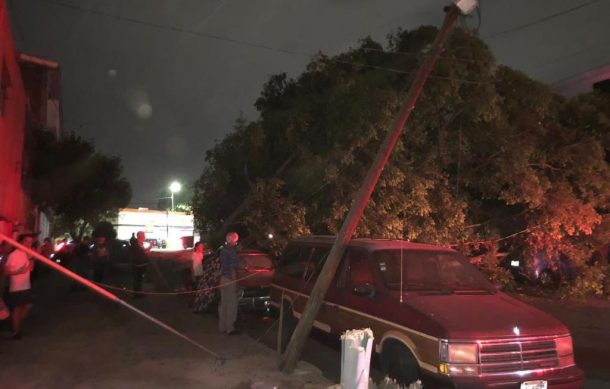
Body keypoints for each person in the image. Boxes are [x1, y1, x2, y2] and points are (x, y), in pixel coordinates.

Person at [3, 234, 35, 339]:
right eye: (26, 241)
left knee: (28, 305)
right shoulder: (13, 255)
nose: (28, 244)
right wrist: (18, 272)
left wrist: (30, 258)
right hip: (16, 287)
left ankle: (16, 325)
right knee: (17, 309)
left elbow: (31, 269)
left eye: (30, 242)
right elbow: (6, 272)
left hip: (26, 286)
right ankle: (16, 331)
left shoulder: (28, 253)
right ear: (20, 241)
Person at [218, 232, 240, 335]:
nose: (237, 243)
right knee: (232, 305)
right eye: (236, 241)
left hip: (223, 279)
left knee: (224, 304)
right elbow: (233, 269)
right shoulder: (232, 252)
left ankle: (222, 326)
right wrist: (235, 284)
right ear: (233, 241)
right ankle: (230, 328)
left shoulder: (223, 250)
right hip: (230, 280)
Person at [130, 231, 149, 298]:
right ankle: (137, 294)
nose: (145, 237)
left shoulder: (138, 243)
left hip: (139, 263)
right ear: (140, 236)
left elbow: (142, 251)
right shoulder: (137, 243)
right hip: (138, 264)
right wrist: (149, 248)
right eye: (144, 235)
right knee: (138, 279)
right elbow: (142, 252)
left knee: (138, 279)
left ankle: (138, 292)